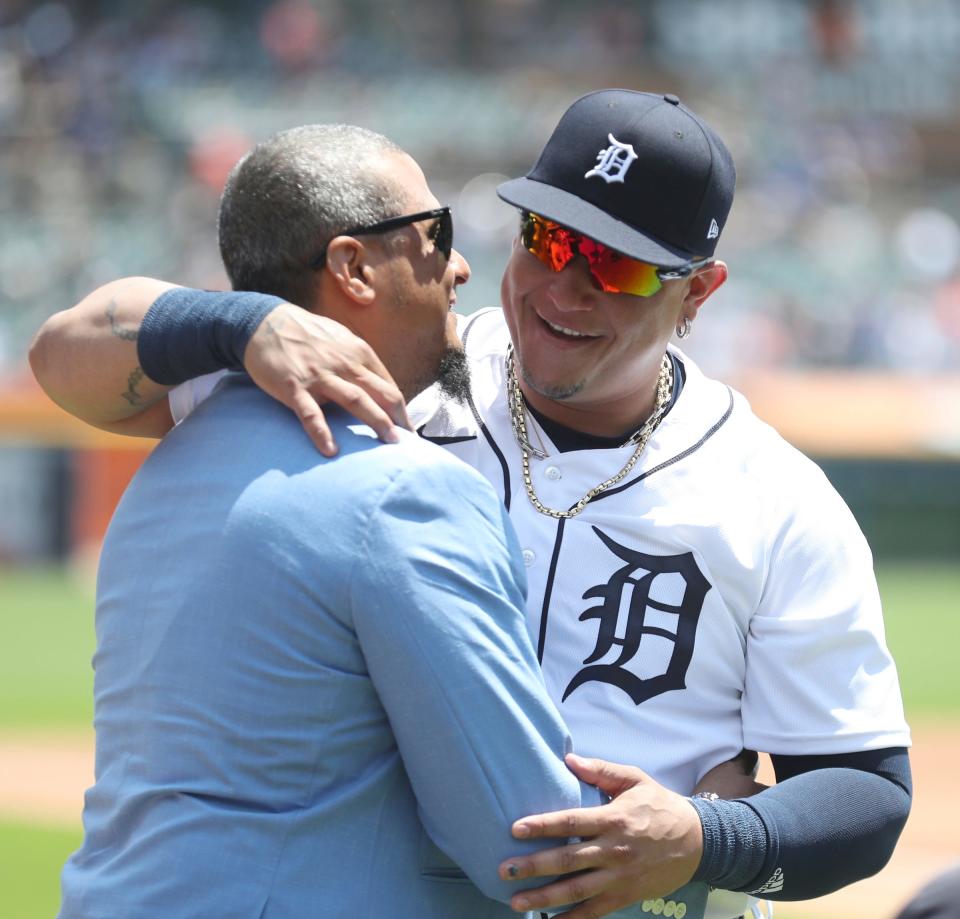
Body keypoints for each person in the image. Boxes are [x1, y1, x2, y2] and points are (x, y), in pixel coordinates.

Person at [31, 91, 912, 919]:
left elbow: (866, 789)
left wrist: (711, 835)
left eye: (617, 267)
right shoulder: (386, 373)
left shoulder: (775, 497)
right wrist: (242, 323)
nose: (566, 289)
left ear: (699, 291)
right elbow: (68, 357)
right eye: (550, 239)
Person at [45, 123, 633, 919]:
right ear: (353, 266)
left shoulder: (178, 450)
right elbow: (525, 840)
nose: (460, 266)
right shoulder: (408, 493)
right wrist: (714, 840)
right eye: (437, 236)